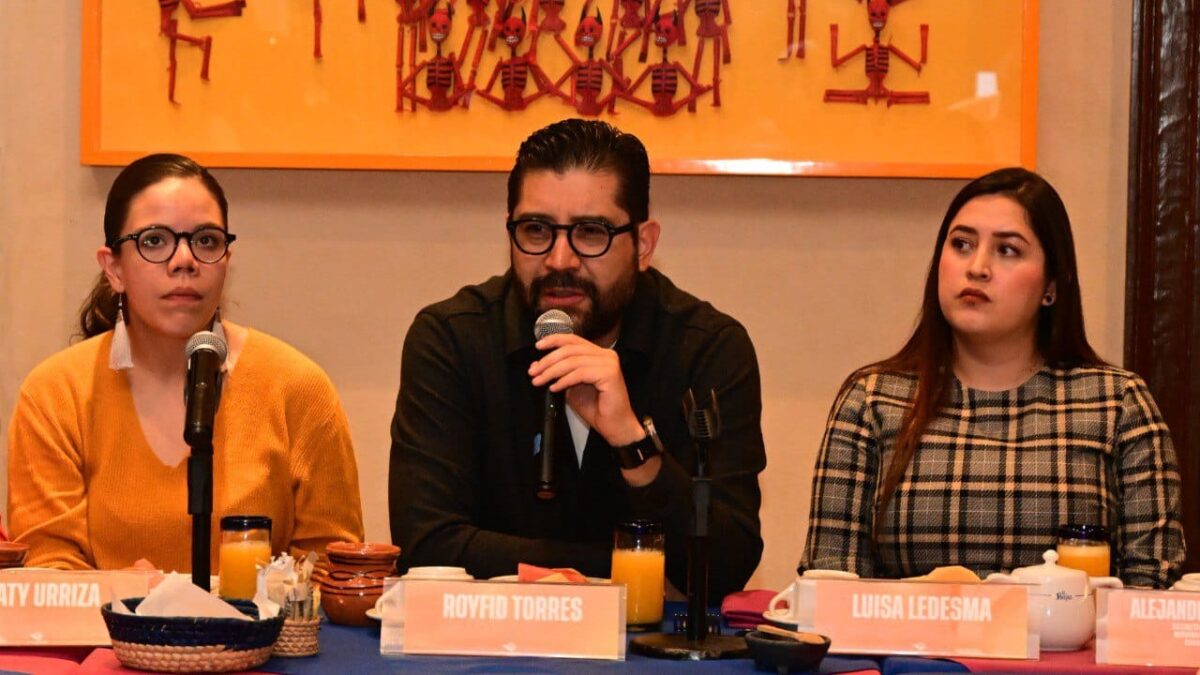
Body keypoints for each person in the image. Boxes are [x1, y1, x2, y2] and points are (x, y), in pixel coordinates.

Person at [389, 119, 765, 598]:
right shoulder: (450, 341)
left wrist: (635, 445)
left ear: (644, 245)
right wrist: (636, 569)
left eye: (591, 233)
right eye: (536, 229)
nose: (560, 260)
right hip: (491, 650)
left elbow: (726, 565)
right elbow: (428, 549)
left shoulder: (709, 348)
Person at [800, 167, 1184, 588]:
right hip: (909, 654)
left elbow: (1152, 595)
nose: (977, 268)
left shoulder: (1118, 403)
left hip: (1066, 652)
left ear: (1051, 285)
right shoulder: (872, 401)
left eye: (1007, 251)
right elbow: (831, 588)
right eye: (961, 244)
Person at [6, 153, 364, 571]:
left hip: (262, 636)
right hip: (105, 635)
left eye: (206, 241)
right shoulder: (56, 393)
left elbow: (331, 568)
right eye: (154, 240)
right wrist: (133, 599)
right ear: (113, 268)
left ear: (226, 262)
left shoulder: (298, 387)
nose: (184, 260)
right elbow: (48, 568)